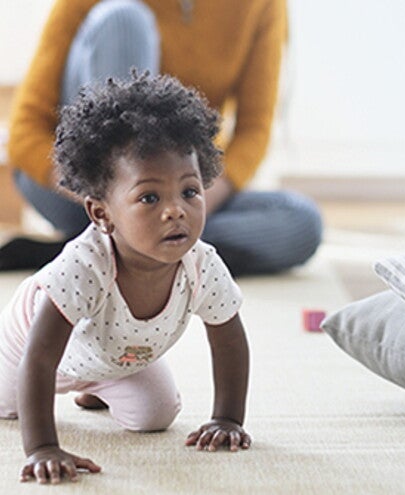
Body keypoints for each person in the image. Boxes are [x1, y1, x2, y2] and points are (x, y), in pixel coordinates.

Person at [0, 73, 252, 484]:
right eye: (150, 198)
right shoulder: (84, 266)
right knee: (7, 408)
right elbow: (40, 357)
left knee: (156, 415)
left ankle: (94, 388)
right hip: (24, 351)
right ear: (102, 214)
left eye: (189, 191)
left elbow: (228, 338)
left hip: (116, 358)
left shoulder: (202, 265)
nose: (176, 211)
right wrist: (43, 447)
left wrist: (227, 418)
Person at [4, 0, 322, 276]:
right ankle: (143, 244)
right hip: (78, 187)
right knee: (124, 18)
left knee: (302, 222)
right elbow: (24, 132)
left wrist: (184, 204)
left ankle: (111, 252)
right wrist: (117, 200)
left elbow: (254, 130)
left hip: (177, 191)